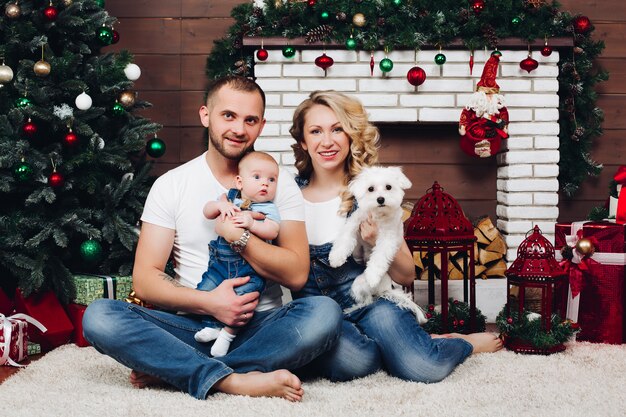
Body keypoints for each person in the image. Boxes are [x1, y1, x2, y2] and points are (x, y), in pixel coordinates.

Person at [82, 76, 343, 402]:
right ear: (206, 115)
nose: (239, 129)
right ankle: (235, 381)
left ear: (262, 126)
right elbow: (146, 279)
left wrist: (240, 237)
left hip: (262, 327)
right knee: (100, 316)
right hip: (193, 326)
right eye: (228, 116)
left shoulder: (278, 183)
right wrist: (211, 303)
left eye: (250, 120)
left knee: (325, 313)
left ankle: (176, 370)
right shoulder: (172, 185)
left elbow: (296, 273)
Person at [290, 90, 502, 383]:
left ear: (351, 135)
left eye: (338, 129)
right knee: (355, 364)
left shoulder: (372, 193)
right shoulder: (287, 195)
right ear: (303, 141)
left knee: (425, 368)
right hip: (320, 314)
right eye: (316, 131)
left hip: (371, 305)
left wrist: (377, 241)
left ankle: (457, 342)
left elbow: (406, 275)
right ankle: (406, 342)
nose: (327, 141)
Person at [195, 151, 281, 357]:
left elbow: (272, 230)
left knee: (243, 303)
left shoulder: (268, 208)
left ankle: (227, 335)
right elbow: (207, 211)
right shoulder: (229, 198)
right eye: (257, 177)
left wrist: (252, 223)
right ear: (240, 182)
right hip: (219, 266)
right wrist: (219, 205)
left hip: (249, 271)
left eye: (272, 180)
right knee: (203, 291)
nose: (265, 184)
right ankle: (211, 326)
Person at [458, 53, 509, 158]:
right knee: (478, 132)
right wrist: (463, 126)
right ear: (479, 94)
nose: (489, 97)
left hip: (492, 129)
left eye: (491, 94)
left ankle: (486, 149)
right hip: (477, 128)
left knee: (493, 134)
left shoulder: (498, 105)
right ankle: (479, 149)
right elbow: (466, 114)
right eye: (486, 94)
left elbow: (504, 115)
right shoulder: (474, 103)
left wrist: (504, 126)